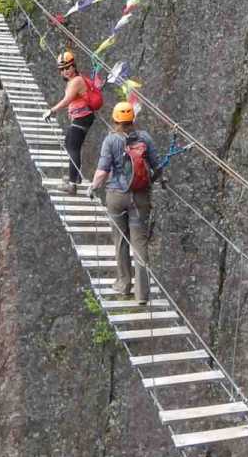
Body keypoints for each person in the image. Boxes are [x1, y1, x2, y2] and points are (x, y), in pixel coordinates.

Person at [92, 102, 162, 304]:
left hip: (116, 196)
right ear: (133, 119)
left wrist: (92, 187)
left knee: (121, 240)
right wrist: (149, 183)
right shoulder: (145, 138)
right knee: (140, 244)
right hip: (140, 197)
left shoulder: (110, 140)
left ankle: (124, 284)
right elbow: (157, 166)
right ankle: (142, 295)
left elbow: (103, 171)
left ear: (115, 120)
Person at [44, 48, 101, 194]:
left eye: (68, 67)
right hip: (82, 117)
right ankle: (74, 177)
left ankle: (72, 185)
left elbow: (67, 100)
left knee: (72, 147)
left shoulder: (76, 81)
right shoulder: (74, 80)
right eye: (62, 69)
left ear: (73, 66)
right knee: (69, 144)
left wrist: (52, 111)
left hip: (82, 118)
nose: (65, 71)